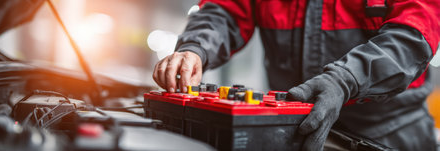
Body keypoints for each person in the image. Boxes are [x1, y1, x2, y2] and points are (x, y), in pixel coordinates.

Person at [153, 0, 440, 150]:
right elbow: (225, 10)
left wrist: (345, 80)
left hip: (390, 133)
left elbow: (412, 35)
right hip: (292, 129)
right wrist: (195, 47)